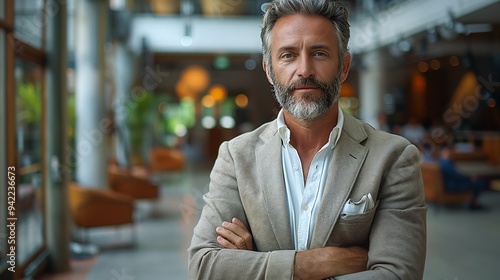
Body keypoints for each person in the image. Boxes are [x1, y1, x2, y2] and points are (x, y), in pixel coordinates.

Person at [188, 1, 427, 279]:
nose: (304, 70)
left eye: (320, 53)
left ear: (344, 66)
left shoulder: (393, 157)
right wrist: (315, 263)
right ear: (268, 69)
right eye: (288, 55)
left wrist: (257, 264)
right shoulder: (236, 155)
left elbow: (399, 274)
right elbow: (204, 267)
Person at [438, 145, 487, 210]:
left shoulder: (440, 162)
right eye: (448, 151)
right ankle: (474, 204)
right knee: (479, 183)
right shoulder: (446, 163)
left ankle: (474, 202)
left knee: (476, 182)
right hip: (452, 185)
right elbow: (456, 176)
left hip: (448, 184)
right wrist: (469, 178)